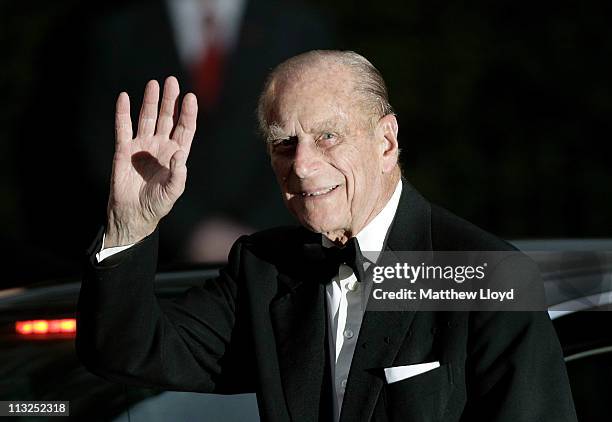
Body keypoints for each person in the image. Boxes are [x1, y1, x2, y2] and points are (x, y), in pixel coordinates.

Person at [76, 50, 577, 421]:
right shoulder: (265, 270)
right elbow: (126, 351)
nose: (303, 165)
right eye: (283, 143)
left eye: (327, 137)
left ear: (386, 141)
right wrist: (131, 225)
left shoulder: (485, 276)